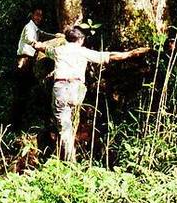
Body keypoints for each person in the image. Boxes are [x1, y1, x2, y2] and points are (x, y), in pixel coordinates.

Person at [34, 26, 150, 162]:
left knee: (65, 127)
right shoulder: (83, 52)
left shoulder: (58, 51)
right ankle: (72, 149)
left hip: (61, 89)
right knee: (70, 120)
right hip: (77, 91)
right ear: (81, 39)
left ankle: (69, 160)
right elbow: (109, 56)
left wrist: (36, 44)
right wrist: (130, 54)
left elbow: (42, 48)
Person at [12, 6, 61, 131]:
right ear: (31, 15)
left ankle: (22, 122)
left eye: (41, 15)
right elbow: (29, 39)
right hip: (23, 60)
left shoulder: (36, 28)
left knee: (28, 90)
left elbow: (43, 34)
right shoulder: (29, 27)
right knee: (21, 90)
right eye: (37, 15)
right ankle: (14, 123)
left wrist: (56, 36)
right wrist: (36, 44)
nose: (39, 18)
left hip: (30, 61)